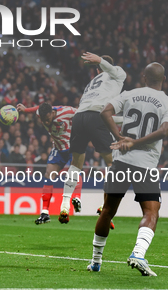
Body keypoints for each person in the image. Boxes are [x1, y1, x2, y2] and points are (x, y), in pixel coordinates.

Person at [88, 63, 168, 277]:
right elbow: (165, 130)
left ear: (144, 76)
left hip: (121, 162)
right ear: (163, 79)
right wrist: (137, 143)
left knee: (108, 211)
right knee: (151, 212)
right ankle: (138, 253)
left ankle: (95, 261)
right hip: (145, 165)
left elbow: (105, 111)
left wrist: (119, 137)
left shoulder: (130, 94)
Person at [69, 52, 126, 221]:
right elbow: (101, 113)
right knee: (112, 163)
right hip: (95, 116)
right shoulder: (118, 72)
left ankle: (65, 202)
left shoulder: (92, 83)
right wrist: (100, 61)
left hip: (79, 117)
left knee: (76, 163)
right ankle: (107, 207)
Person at [16, 102, 81, 224]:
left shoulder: (66, 111)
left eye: (47, 119)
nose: (46, 122)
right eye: (43, 120)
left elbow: (81, 114)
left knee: (75, 171)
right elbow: (37, 108)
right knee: (48, 174)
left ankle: (77, 198)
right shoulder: (42, 113)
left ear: (52, 113)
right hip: (58, 148)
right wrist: (25, 110)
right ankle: (45, 213)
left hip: (73, 146)